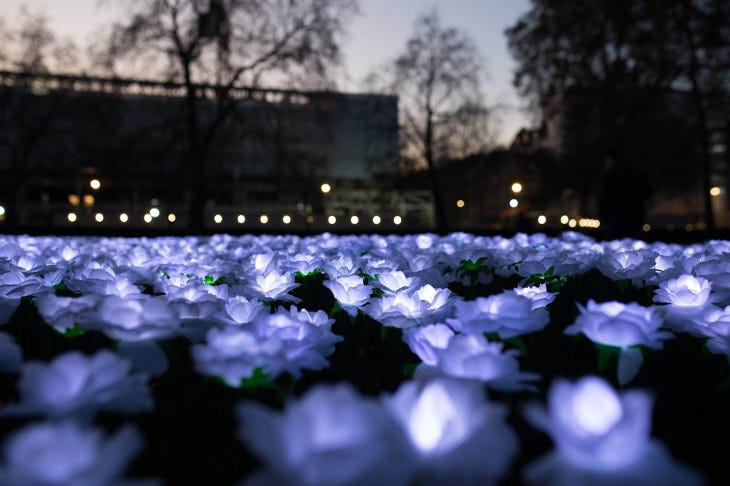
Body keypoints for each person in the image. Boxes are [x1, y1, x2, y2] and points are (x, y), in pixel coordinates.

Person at [596, 150, 652, 239]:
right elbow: (648, 193)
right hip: (632, 220)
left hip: (616, 222)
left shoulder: (610, 177)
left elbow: (603, 199)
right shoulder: (635, 175)